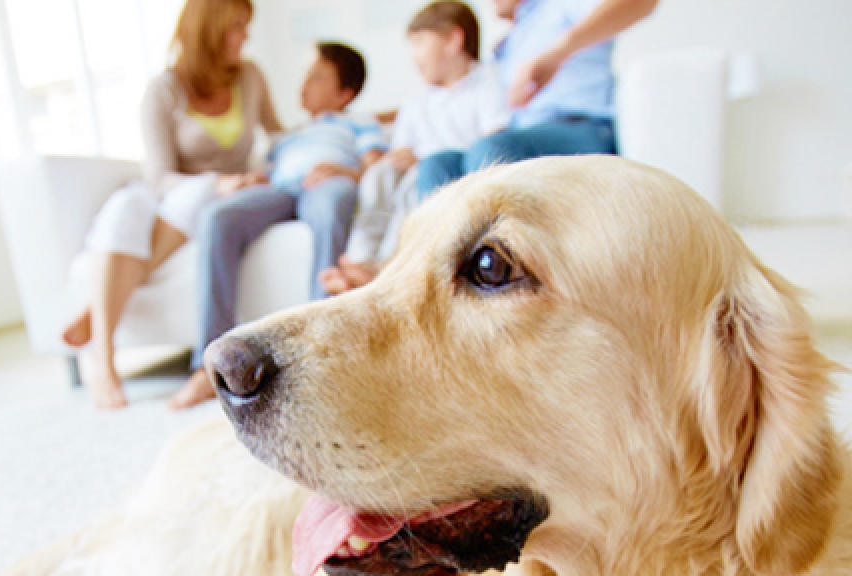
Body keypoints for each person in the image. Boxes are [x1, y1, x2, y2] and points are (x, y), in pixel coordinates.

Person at [61, 0, 283, 410]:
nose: (245, 36)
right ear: (209, 30)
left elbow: (278, 135)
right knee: (125, 206)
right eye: (237, 26)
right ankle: (103, 361)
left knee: (204, 196)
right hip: (175, 192)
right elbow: (159, 175)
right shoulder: (163, 90)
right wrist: (217, 180)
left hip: (221, 198)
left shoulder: (249, 77)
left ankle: (97, 310)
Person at [168, 42, 385, 409]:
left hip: (327, 182)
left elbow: (377, 165)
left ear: (345, 92)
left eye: (317, 77)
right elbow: (268, 171)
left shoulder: (360, 122)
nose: (305, 84)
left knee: (334, 200)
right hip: (280, 188)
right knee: (218, 216)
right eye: (305, 75)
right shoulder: (289, 137)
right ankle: (207, 365)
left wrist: (344, 172)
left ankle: (320, 349)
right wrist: (254, 179)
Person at [319, 1, 509, 296]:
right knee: (380, 175)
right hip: (411, 170)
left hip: (446, 174)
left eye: (419, 43)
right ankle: (360, 259)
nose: (414, 56)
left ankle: (387, 264)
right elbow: (400, 149)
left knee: (413, 181)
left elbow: (492, 145)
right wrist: (397, 158)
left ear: (453, 40)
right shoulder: (417, 102)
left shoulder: (487, 84)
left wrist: (418, 160)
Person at [415, 0, 659, 198]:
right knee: (437, 165)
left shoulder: (558, 7)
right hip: (521, 138)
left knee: (491, 151)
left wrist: (556, 54)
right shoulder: (509, 42)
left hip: (582, 129)